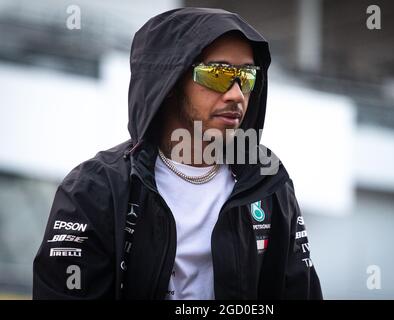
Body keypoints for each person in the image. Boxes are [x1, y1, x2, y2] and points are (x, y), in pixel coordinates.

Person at [33, 7, 322, 300]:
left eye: (246, 77)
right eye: (218, 74)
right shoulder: (96, 189)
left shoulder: (267, 182)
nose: (236, 94)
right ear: (170, 82)